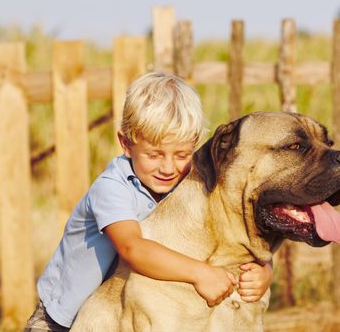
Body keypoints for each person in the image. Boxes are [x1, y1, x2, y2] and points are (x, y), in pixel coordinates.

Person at [24, 72, 273, 331]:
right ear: (126, 144)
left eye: (181, 154)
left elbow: (230, 233)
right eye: (154, 154)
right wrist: (201, 273)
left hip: (120, 313)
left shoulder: (187, 186)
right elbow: (133, 248)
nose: (168, 167)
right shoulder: (112, 188)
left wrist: (264, 270)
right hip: (63, 318)